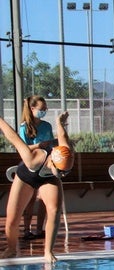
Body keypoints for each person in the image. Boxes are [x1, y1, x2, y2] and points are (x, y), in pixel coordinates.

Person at [0, 113, 74, 263]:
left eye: (65, 172)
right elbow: (13, 137)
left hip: (48, 179)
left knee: (54, 210)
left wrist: (59, 122)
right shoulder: (32, 158)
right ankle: (11, 248)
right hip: (26, 177)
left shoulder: (66, 150)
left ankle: (48, 251)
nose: (63, 175)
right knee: (12, 219)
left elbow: (61, 134)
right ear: (53, 162)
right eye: (60, 171)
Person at [18, 96, 55, 240]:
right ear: (32, 109)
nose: (44, 111)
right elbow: (23, 147)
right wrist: (39, 145)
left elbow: (51, 142)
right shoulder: (24, 127)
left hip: (45, 165)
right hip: (31, 165)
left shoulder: (47, 126)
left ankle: (40, 229)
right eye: (41, 109)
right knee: (30, 198)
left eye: (45, 109)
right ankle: (26, 229)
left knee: (44, 199)